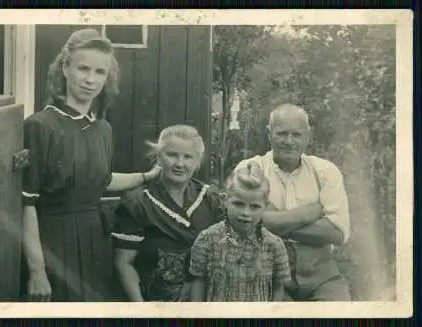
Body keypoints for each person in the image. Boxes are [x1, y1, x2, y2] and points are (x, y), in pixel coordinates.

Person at [20, 28, 161, 302]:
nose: (90, 80)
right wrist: (37, 271)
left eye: (100, 72)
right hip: (54, 244)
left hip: (96, 242)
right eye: (83, 68)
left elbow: (102, 180)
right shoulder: (40, 126)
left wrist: (148, 175)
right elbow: (27, 204)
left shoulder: (102, 129)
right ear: (65, 68)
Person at [233, 103, 351, 301]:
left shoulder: (325, 172)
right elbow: (244, 225)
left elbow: (336, 232)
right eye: (282, 133)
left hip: (322, 276)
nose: (289, 141)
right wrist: (308, 214)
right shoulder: (251, 169)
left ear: (308, 135)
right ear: (269, 134)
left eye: (296, 134)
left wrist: (271, 220)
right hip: (265, 274)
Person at [111, 125, 224, 301]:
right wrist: (141, 310)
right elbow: (123, 264)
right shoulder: (138, 203)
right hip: (155, 303)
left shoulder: (210, 198)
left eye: (187, 157)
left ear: (197, 161)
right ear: (158, 157)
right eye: (171, 155)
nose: (179, 164)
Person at [189, 166, 292, 302]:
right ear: (225, 200)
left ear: (265, 207)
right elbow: (198, 283)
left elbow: (278, 287)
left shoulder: (274, 245)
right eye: (238, 204)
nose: (246, 213)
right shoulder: (206, 240)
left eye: (254, 206)